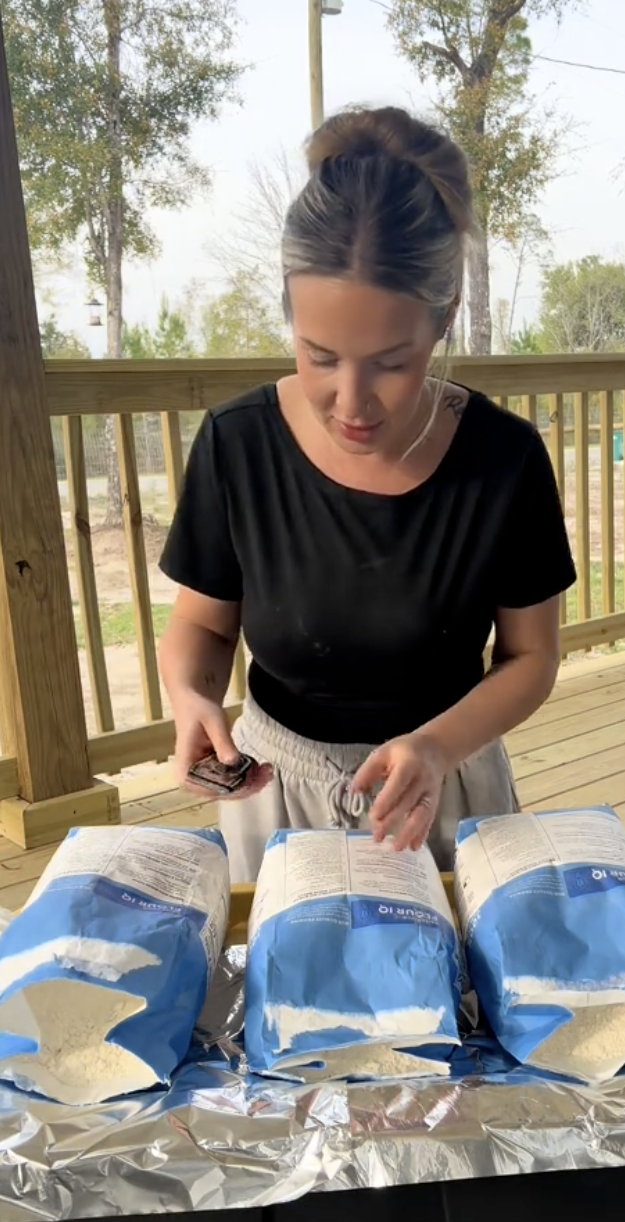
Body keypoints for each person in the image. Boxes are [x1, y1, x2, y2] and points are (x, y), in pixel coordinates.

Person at [158, 105, 576, 883]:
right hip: (277, 797)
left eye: (390, 361)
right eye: (320, 357)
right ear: (289, 309)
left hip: (442, 791)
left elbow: (532, 656)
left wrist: (438, 746)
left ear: (444, 319)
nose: (351, 402)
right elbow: (203, 628)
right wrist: (192, 700)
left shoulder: (504, 459)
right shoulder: (236, 444)